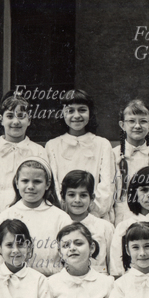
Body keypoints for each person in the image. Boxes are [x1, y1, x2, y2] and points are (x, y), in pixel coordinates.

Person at [0, 156, 72, 277]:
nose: (30, 186)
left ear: (47, 184)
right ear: (16, 183)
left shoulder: (61, 218)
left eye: (37, 181)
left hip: (52, 283)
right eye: (25, 181)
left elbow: (69, 260)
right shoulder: (5, 217)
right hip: (14, 283)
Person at [45, 89, 115, 220]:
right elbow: (53, 182)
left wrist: (90, 211)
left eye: (82, 110)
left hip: (95, 216)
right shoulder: (52, 146)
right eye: (70, 111)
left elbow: (107, 184)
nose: (76, 116)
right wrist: (65, 209)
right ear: (62, 114)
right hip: (63, 215)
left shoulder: (102, 144)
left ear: (90, 113)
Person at [0, 91, 50, 213]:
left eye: (21, 116)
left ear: (29, 120)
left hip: (31, 212)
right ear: (1, 119)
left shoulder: (38, 151)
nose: (16, 121)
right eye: (10, 116)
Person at [60, 170, 115, 274]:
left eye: (83, 195)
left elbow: (113, 265)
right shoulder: (59, 225)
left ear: (92, 198)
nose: (77, 200)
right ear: (63, 197)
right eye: (71, 195)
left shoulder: (105, 227)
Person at [113, 99, 149, 226]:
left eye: (143, 121)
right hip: (121, 217)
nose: (137, 126)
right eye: (131, 121)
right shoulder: (112, 155)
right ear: (122, 125)